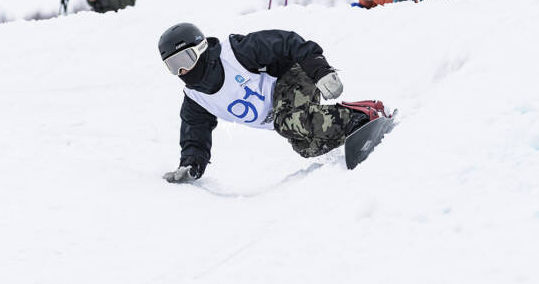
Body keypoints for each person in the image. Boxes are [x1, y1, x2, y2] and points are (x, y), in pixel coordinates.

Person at [158, 22, 391, 183]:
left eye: (184, 59)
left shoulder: (235, 53)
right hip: (283, 110)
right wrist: (191, 165)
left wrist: (320, 70)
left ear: (200, 49)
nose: (182, 70)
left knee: (286, 121)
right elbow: (194, 137)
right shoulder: (196, 99)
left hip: (292, 75)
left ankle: (362, 118)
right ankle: (355, 123)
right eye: (173, 66)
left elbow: (286, 42)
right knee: (306, 147)